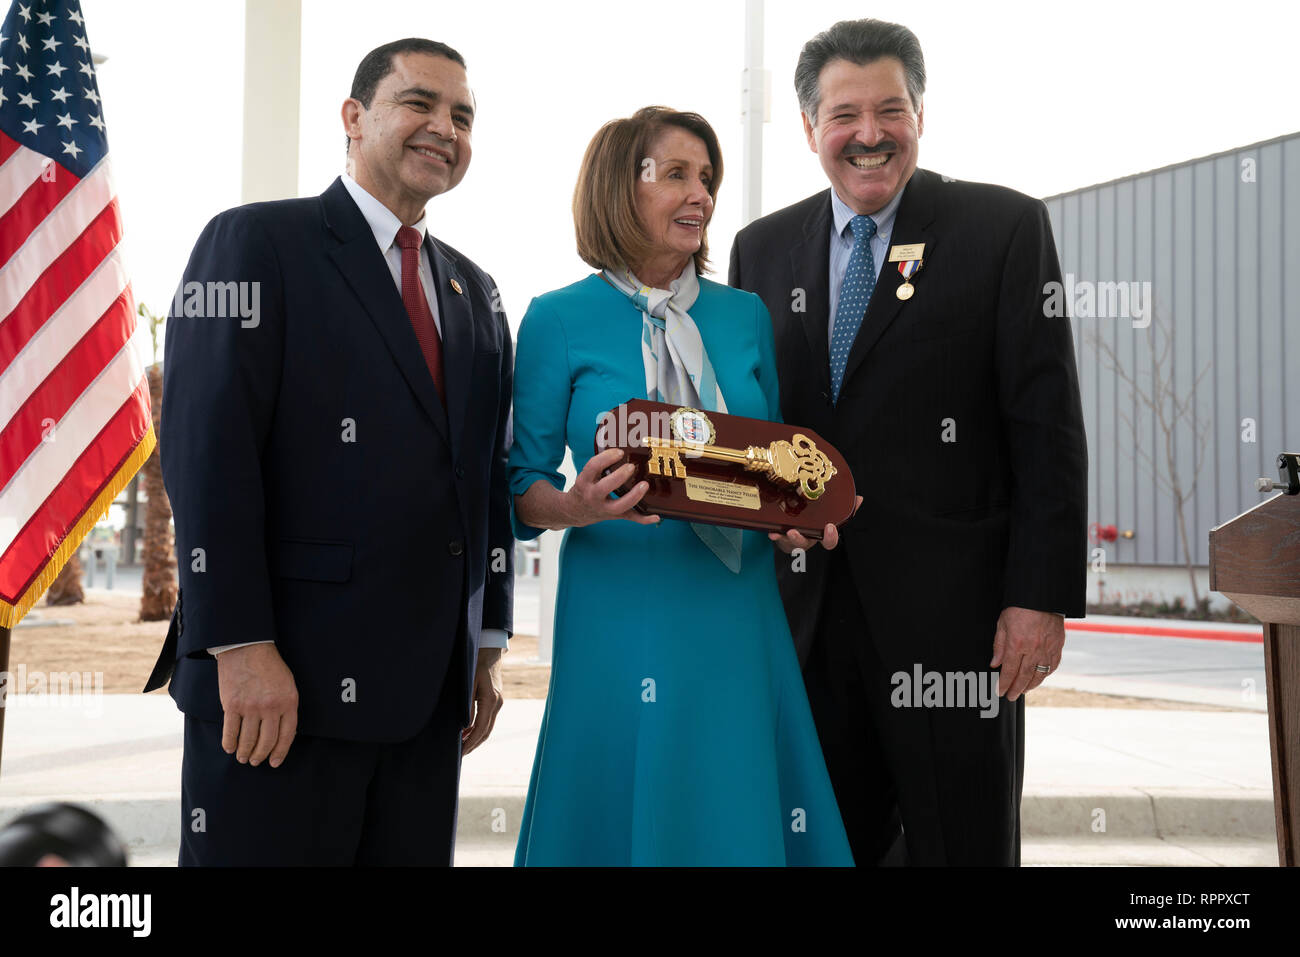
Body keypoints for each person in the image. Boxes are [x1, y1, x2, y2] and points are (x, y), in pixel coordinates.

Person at [144, 38, 514, 865]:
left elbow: (479, 480)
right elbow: (206, 456)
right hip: (280, 697)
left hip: (427, 709)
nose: (444, 128)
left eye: (462, 115)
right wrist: (237, 644)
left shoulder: (476, 292)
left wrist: (482, 648)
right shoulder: (252, 245)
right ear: (354, 117)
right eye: (419, 103)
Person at [729, 18, 1088, 866]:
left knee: (960, 843)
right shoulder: (761, 249)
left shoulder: (1002, 229)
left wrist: (1039, 598)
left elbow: (1047, 429)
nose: (868, 134)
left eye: (891, 109)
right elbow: (761, 424)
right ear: (811, 126)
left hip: (956, 633)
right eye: (844, 113)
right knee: (821, 845)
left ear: (920, 115)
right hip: (807, 621)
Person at [510, 107, 854, 866]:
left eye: (707, 178)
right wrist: (574, 504)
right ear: (617, 190)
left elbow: (765, 472)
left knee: (732, 800)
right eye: (675, 175)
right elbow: (520, 490)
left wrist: (792, 520)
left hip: (736, 608)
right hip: (617, 611)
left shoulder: (746, 316)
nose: (699, 193)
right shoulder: (555, 319)